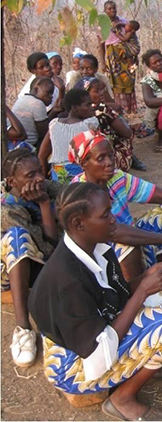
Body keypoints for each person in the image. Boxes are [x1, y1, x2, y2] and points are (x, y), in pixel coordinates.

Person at [28, 182, 162, 421]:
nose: (114, 219)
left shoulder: (95, 247)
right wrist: (142, 293)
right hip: (73, 365)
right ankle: (122, 398)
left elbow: (111, 296)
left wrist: (144, 280)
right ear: (78, 224)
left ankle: (142, 363)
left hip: (94, 331)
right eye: (106, 215)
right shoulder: (67, 281)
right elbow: (97, 354)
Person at [69, 131, 162, 281]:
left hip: (129, 231)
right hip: (102, 249)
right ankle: (137, 290)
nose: (110, 162)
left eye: (110, 155)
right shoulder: (80, 192)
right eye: (101, 158)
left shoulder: (117, 178)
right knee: (128, 248)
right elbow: (114, 232)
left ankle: (153, 265)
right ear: (84, 163)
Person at [1, 149, 62, 368]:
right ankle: (24, 328)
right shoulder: (6, 209)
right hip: (8, 271)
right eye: (30, 175)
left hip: (39, 262)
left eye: (40, 171)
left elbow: (73, 192)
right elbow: (49, 250)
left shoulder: (39, 186)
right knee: (18, 238)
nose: (39, 178)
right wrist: (46, 206)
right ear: (12, 181)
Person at [38, 88, 99, 184]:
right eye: (88, 105)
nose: (92, 108)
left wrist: (44, 179)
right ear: (74, 108)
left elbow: (42, 155)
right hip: (82, 173)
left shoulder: (54, 124)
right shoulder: (90, 124)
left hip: (59, 174)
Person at [76, 78, 136, 172]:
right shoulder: (102, 109)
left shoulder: (75, 111)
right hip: (105, 158)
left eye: (101, 90)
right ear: (85, 95)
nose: (100, 93)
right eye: (96, 91)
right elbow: (127, 133)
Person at [98, 0, 137, 114]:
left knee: (129, 79)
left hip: (127, 55)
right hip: (112, 56)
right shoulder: (102, 26)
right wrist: (103, 62)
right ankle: (120, 109)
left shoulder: (124, 22)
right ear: (105, 10)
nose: (112, 10)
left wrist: (135, 55)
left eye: (114, 8)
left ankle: (131, 109)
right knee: (115, 83)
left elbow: (132, 39)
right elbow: (101, 46)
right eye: (109, 9)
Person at [11, 77, 55, 148]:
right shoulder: (37, 103)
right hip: (28, 144)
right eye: (48, 92)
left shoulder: (23, 99)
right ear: (36, 90)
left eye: (51, 93)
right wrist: (54, 113)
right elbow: (44, 133)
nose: (51, 96)